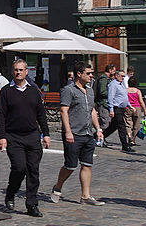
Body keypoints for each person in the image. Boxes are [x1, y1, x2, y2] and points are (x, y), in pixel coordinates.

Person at [0, 59, 51, 217]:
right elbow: (1, 115)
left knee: (33, 171)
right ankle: (11, 192)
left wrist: (46, 134)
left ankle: (31, 204)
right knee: (19, 168)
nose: (18, 72)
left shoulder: (34, 91)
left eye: (21, 70)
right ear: (12, 72)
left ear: (26, 72)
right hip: (14, 137)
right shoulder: (6, 91)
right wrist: (2, 136)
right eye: (15, 70)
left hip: (32, 136)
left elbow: (41, 114)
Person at [49, 61, 104, 206]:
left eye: (92, 73)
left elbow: (92, 110)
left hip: (87, 133)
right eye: (88, 73)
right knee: (70, 165)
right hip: (74, 133)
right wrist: (68, 131)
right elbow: (64, 111)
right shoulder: (69, 90)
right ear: (79, 74)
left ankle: (85, 196)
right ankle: (57, 187)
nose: (92, 76)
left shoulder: (90, 90)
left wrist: (98, 129)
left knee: (87, 164)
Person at [102, 68, 134, 152]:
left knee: (113, 126)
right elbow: (110, 98)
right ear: (116, 75)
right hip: (117, 108)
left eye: (124, 76)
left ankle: (99, 136)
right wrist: (111, 109)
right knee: (121, 126)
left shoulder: (122, 84)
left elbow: (124, 96)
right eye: (122, 76)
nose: (123, 78)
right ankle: (125, 145)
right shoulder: (113, 84)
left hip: (123, 108)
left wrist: (130, 105)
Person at [95, 63, 115, 142]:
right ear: (110, 70)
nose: (115, 72)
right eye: (114, 70)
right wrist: (112, 94)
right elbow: (102, 91)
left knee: (108, 123)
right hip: (103, 103)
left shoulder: (108, 79)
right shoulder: (103, 79)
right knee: (105, 123)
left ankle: (101, 138)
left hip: (106, 104)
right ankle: (98, 138)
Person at [126, 78, 146, 148]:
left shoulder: (126, 90)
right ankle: (133, 139)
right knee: (136, 125)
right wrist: (145, 111)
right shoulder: (138, 91)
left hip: (128, 108)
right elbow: (141, 101)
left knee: (128, 123)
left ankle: (129, 135)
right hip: (137, 108)